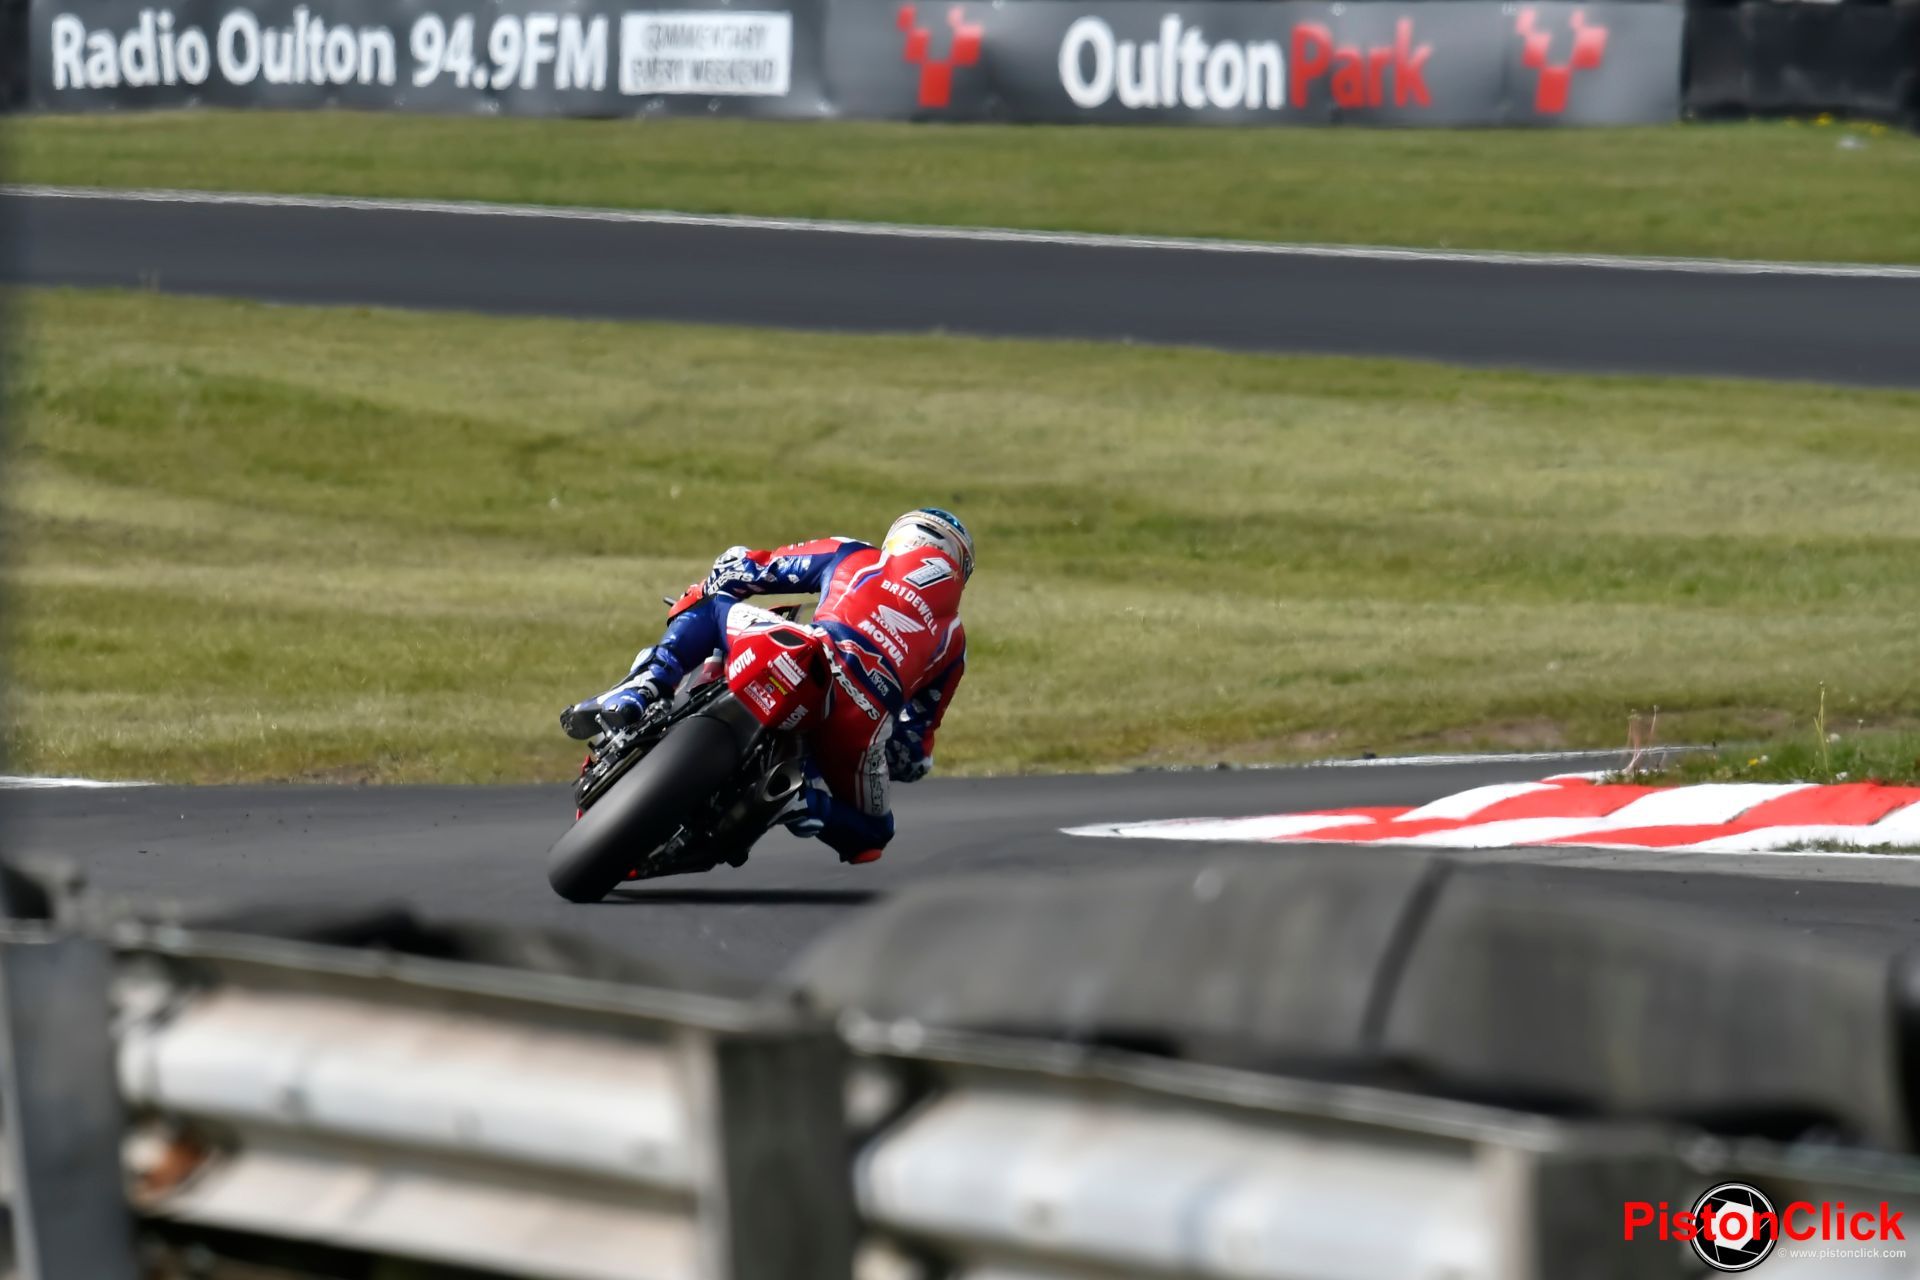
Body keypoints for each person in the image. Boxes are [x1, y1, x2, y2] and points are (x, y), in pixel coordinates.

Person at [560, 508, 972, 866]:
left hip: (807, 648)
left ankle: (642, 687)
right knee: (872, 835)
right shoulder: (954, 640)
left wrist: (710, 584)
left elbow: (749, 568)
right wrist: (901, 760)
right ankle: (797, 801)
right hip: (861, 723)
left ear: (899, 537)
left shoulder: (857, 555)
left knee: (710, 608)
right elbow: (914, 749)